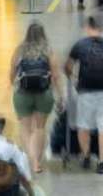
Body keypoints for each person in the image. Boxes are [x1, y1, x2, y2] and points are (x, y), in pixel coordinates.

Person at [65, 16, 103, 174]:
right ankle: (102, 162)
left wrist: (74, 79)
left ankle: (85, 157)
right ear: (101, 28)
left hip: (85, 90)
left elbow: (68, 67)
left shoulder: (80, 45)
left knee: (83, 125)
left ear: (87, 27)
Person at [10, 23, 63, 173]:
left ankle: (31, 160)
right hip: (44, 94)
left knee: (26, 129)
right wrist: (60, 95)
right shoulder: (48, 51)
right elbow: (56, 76)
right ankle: (36, 162)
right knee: (39, 128)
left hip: (22, 94)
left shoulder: (19, 50)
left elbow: (12, 71)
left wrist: (12, 84)